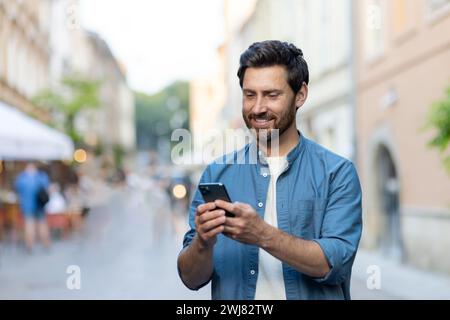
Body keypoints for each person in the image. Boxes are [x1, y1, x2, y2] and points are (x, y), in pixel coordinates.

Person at [177, 40, 363, 300]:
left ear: (300, 95)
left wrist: (262, 234)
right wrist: (203, 243)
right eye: (249, 95)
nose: (257, 108)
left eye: (272, 95)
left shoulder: (337, 173)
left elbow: (336, 264)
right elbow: (190, 278)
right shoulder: (216, 174)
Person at [14, 162, 51, 252]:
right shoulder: (41, 176)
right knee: (42, 224)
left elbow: (17, 190)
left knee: (29, 225)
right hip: (40, 205)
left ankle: (29, 246)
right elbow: (47, 188)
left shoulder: (22, 178)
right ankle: (46, 245)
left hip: (27, 205)